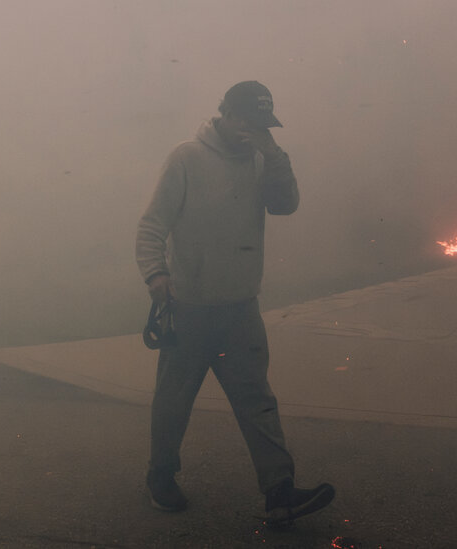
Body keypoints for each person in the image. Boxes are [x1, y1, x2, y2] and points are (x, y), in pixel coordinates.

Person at [135, 81, 334, 526]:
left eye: (265, 125)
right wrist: (156, 274)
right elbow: (152, 225)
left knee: (257, 401)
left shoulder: (263, 162)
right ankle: (160, 477)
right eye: (250, 122)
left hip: (240, 308)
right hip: (187, 306)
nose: (256, 132)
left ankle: (280, 493)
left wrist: (275, 154)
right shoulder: (186, 157)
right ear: (226, 113)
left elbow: (286, 206)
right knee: (173, 400)